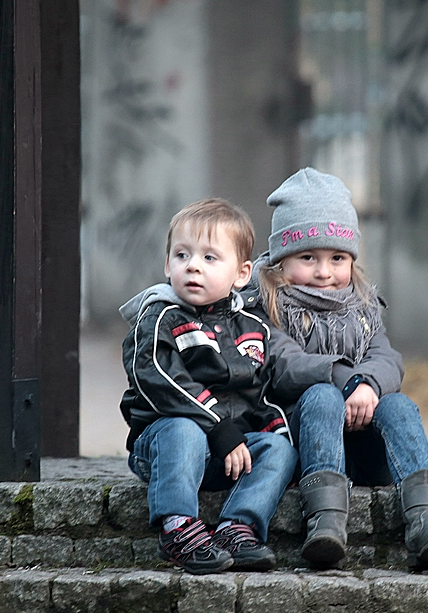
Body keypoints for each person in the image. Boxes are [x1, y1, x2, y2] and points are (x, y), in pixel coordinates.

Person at [247, 168, 428, 569]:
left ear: (352, 259)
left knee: (398, 405)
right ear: (281, 260)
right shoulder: (269, 305)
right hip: (305, 442)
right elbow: (284, 364)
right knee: (320, 394)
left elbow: (388, 359)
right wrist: (348, 380)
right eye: (307, 257)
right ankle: (326, 523)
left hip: (365, 448)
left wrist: (367, 383)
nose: (324, 271)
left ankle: (426, 520)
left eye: (337, 258)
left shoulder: (362, 305)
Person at [118, 198, 299, 575]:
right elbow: (158, 379)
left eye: (210, 258)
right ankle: (178, 528)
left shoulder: (252, 328)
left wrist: (274, 431)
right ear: (167, 265)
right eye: (182, 255)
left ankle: (237, 527)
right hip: (167, 445)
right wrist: (217, 425)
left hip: (227, 451)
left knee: (279, 447)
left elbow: (259, 395)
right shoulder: (158, 318)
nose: (193, 265)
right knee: (184, 430)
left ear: (242, 273)